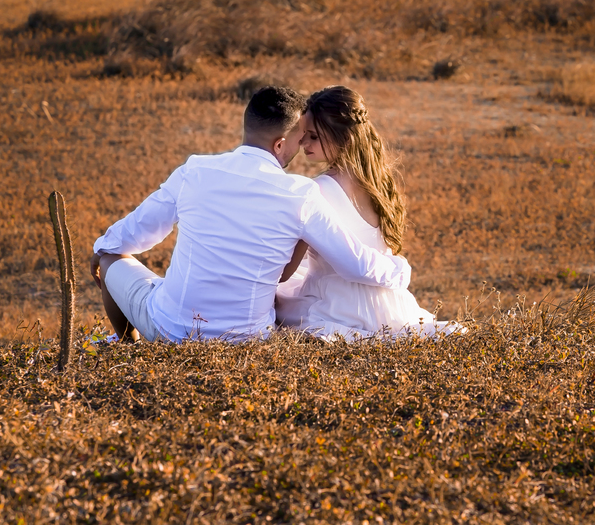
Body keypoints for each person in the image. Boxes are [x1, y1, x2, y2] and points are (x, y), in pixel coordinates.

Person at [89, 85, 412, 343]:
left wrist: (101, 250)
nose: (302, 148)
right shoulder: (300, 193)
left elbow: (133, 236)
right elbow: (354, 263)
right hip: (250, 338)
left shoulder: (194, 171)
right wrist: (399, 270)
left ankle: (125, 344)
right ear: (280, 144)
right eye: (301, 140)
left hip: (172, 331)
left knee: (110, 258)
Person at [276, 85, 462, 341]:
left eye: (314, 136)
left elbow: (287, 269)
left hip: (336, 304)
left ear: (344, 138)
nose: (303, 143)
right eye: (303, 135)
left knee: (281, 295)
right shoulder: (381, 184)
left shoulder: (316, 190)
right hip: (387, 304)